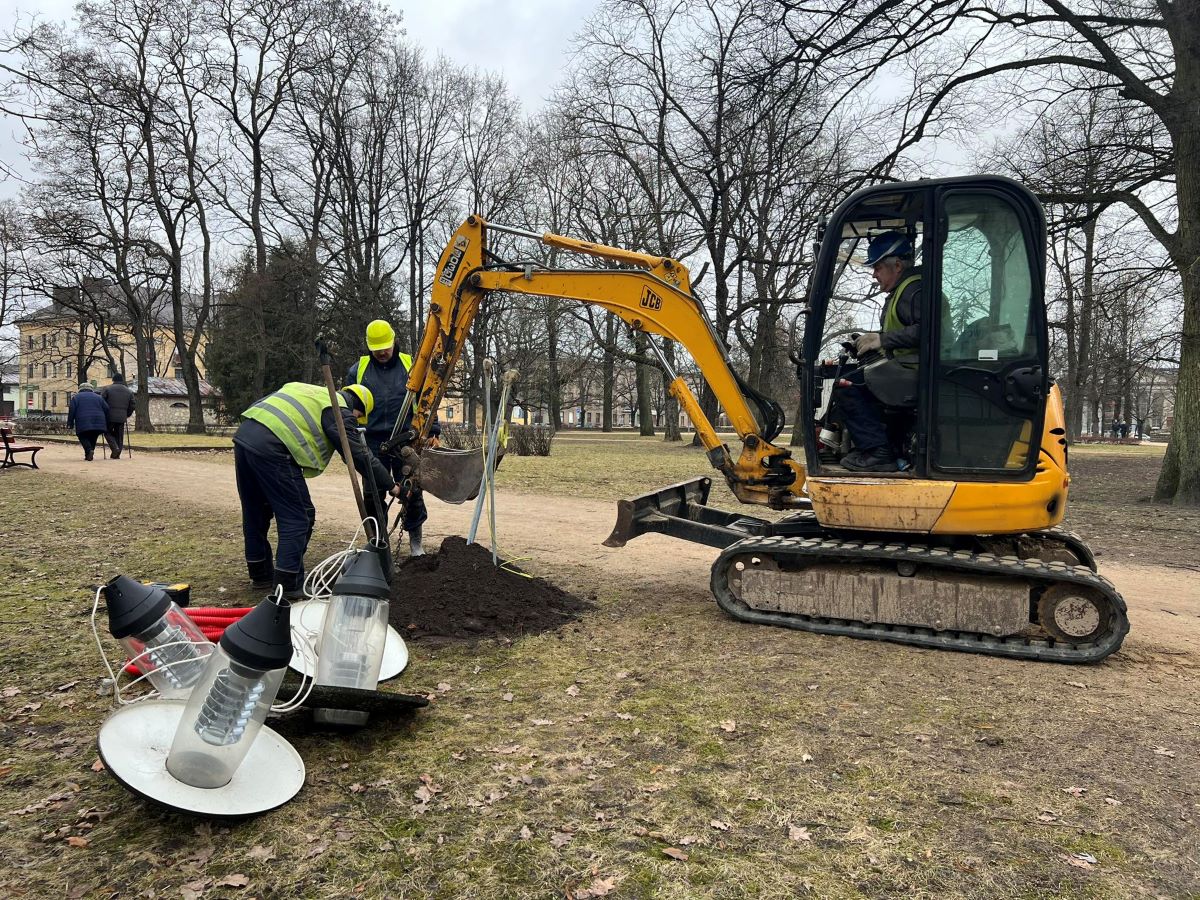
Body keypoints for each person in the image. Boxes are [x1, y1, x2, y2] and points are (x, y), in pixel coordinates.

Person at [233, 381, 405, 599]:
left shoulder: (309, 391)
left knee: (255, 512)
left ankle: (260, 575)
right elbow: (359, 454)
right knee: (299, 517)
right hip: (274, 446)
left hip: (245, 436)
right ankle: (288, 584)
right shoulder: (337, 408)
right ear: (358, 409)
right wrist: (391, 485)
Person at [346, 319, 441, 556]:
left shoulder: (412, 365)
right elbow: (348, 406)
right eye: (377, 348)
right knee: (373, 495)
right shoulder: (357, 370)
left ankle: (416, 545)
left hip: (406, 441)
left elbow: (427, 398)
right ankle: (378, 545)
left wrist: (434, 431)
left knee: (413, 492)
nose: (382, 352)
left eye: (385, 347)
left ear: (393, 341)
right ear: (369, 346)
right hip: (371, 441)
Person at [834, 231, 922, 472]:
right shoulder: (906, 290)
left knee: (847, 387)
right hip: (908, 369)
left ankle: (877, 453)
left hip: (915, 372)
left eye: (878, 267)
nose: (874, 274)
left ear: (897, 265)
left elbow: (927, 331)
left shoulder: (913, 291)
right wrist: (871, 339)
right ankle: (880, 447)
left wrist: (881, 340)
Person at [66, 383, 110, 461]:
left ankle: (89, 451)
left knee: (82, 435)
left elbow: (72, 411)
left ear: (80, 389)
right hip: (98, 420)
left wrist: (70, 423)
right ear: (91, 389)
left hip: (82, 420)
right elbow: (106, 409)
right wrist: (106, 421)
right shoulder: (99, 397)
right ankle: (89, 454)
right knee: (93, 436)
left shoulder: (76, 398)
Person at [99, 373, 136, 459]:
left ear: (113, 380)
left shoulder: (107, 389)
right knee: (119, 435)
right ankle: (117, 453)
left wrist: (103, 413)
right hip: (122, 417)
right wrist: (127, 414)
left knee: (106, 431)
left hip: (109, 416)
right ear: (122, 380)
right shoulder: (129, 391)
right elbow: (133, 405)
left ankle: (115, 448)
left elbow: (101, 402)